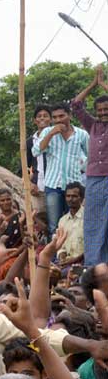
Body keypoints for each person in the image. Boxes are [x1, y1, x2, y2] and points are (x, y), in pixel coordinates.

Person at [71, 64, 108, 266]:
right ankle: (94, 265)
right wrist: (93, 83)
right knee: (93, 222)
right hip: (93, 178)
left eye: (106, 109)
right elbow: (76, 104)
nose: (103, 112)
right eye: (100, 110)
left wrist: (103, 83)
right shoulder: (92, 125)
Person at [33, 103, 89, 233]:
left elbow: (90, 156)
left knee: (76, 223)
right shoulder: (47, 132)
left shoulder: (82, 135)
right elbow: (36, 151)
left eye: (61, 116)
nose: (58, 120)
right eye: (55, 117)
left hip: (74, 187)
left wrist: (84, 171)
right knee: (54, 225)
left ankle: (74, 252)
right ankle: (56, 253)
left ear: (69, 115)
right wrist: (51, 133)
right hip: (53, 186)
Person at [28, 104, 52, 214]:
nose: (42, 118)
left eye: (45, 116)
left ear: (51, 119)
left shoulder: (57, 137)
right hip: (38, 187)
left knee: (55, 218)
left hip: (55, 186)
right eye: (39, 116)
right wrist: (30, 183)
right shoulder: (30, 142)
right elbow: (24, 166)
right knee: (38, 216)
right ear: (35, 120)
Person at [57, 181, 85, 267]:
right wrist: (62, 258)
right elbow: (61, 247)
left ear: (81, 198)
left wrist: (75, 259)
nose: (70, 199)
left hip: (83, 262)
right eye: (68, 196)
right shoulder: (62, 221)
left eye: (74, 196)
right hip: (66, 263)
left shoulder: (89, 219)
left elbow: (93, 247)